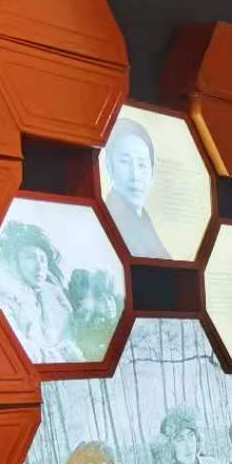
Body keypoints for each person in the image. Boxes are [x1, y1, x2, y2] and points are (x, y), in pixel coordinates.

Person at [0, 219, 80, 363]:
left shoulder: (56, 300)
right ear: (14, 261)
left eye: (43, 259)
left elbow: (70, 345)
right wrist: (60, 357)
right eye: (30, 258)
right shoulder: (1, 296)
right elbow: (16, 350)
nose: (39, 266)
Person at [102, 115, 168, 259]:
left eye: (142, 164)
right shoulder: (111, 219)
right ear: (109, 166)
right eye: (125, 162)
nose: (135, 175)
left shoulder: (144, 219)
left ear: (151, 170)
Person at [65, 268, 122, 362]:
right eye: (100, 297)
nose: (108, 303)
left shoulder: (116, 324)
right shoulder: (83, 319)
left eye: (109, 297)